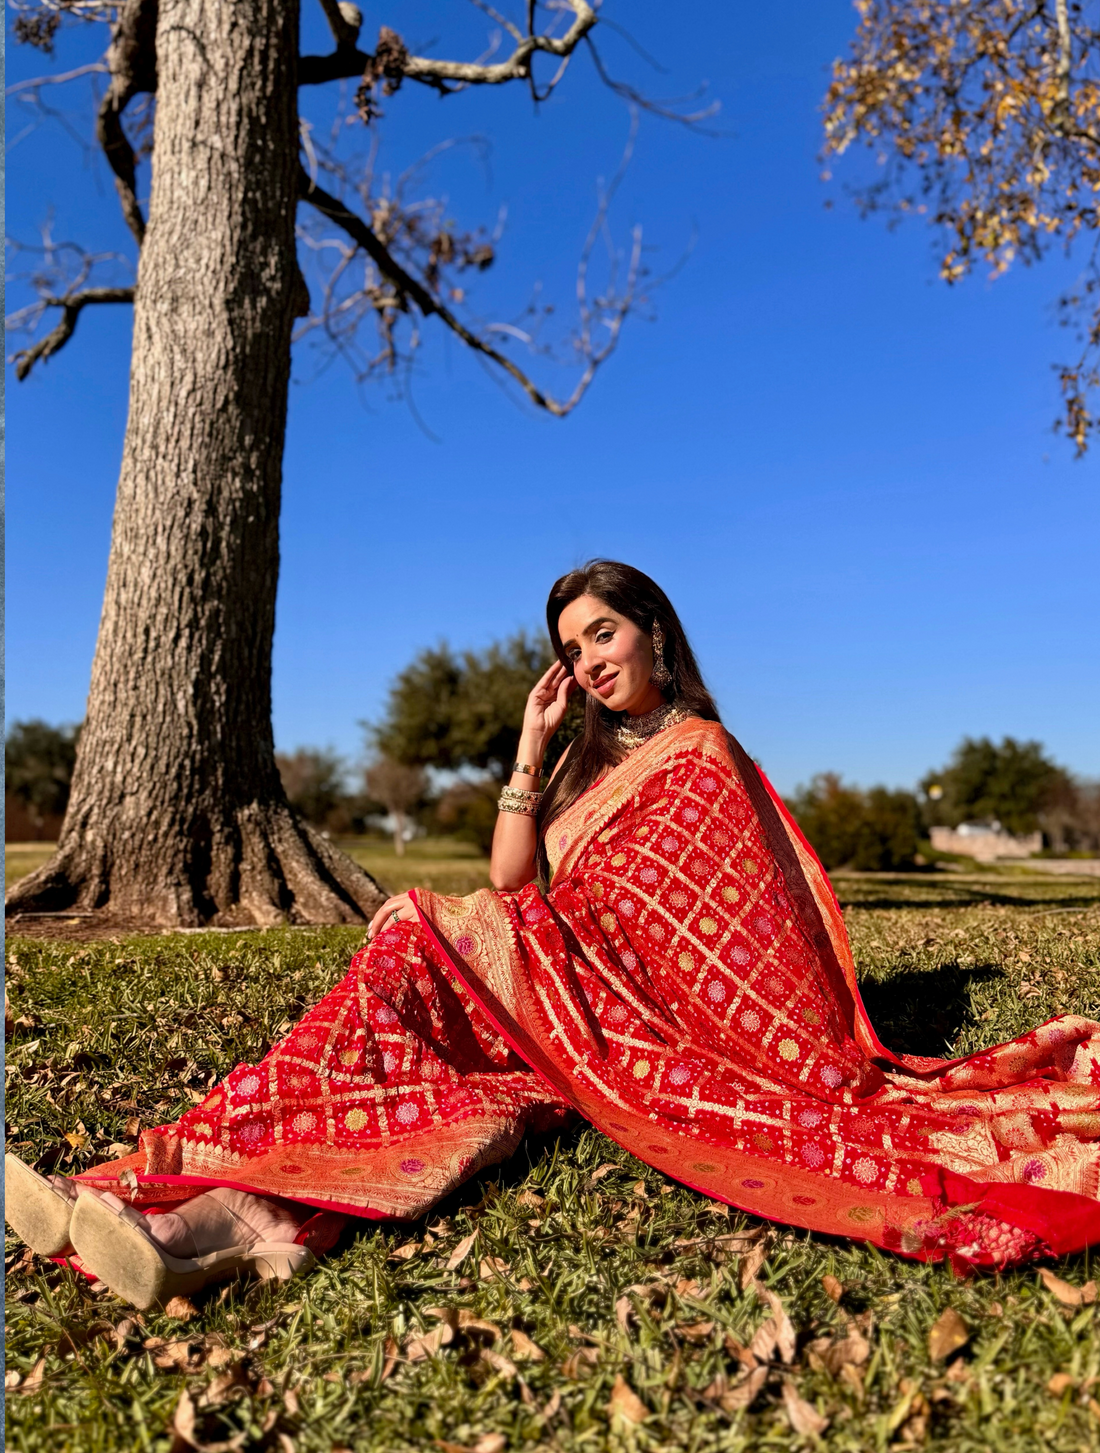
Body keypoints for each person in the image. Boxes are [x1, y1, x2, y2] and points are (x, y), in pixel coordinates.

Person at [6, 561, 1100, 1308]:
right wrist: (531, 747)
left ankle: (194, 1215)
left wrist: (549, 953)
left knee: (408, 943)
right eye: (570, 649)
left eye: (602, 634)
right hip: (551, 1003)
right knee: (427, 1080)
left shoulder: (699, 755)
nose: (586, 661)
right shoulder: (589, 764)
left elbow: (714, 938)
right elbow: (512, 875)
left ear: (654, 631)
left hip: (615, 1013)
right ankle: (210, 1224)